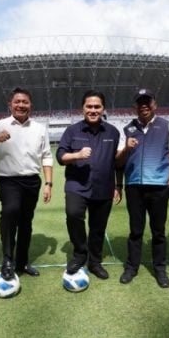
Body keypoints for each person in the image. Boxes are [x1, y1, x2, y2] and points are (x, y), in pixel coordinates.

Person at [0, 87, 53, 281]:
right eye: (17, 102)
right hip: (8, 181)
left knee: (26, 222)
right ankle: (7, 261)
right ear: (10, 105)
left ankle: (22, 262)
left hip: (32, 181)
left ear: (30, 105)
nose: (21, 105)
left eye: (25, 102)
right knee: (10, 212)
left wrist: (48, 183)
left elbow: (47, 156)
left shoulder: (39, 128)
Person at [116, 88, 169, 288]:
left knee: (158, 231)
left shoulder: (167, 126)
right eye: (140, 102)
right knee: (136, 230)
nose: (144, 105)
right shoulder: (126, 129)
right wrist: (127, 148)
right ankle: (131, 267)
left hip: (159, 187)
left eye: (147, 101)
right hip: (134, 186)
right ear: (134, 106)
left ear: (154, 104)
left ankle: (160, 269)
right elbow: (117, 161)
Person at [56, 90, 122, 280]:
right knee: (73, 214)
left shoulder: (113, 132)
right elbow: (60, 156)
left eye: (97, 106)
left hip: (104, 187)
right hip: (77, 185)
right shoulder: (72, 131)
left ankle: (95, 262)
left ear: (103, 109)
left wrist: (119, 186)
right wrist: (77, 155)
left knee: (98, 227)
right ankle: (79, 254)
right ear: (82, 109)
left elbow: (118, 163)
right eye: (89, 106)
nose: (93, 110)